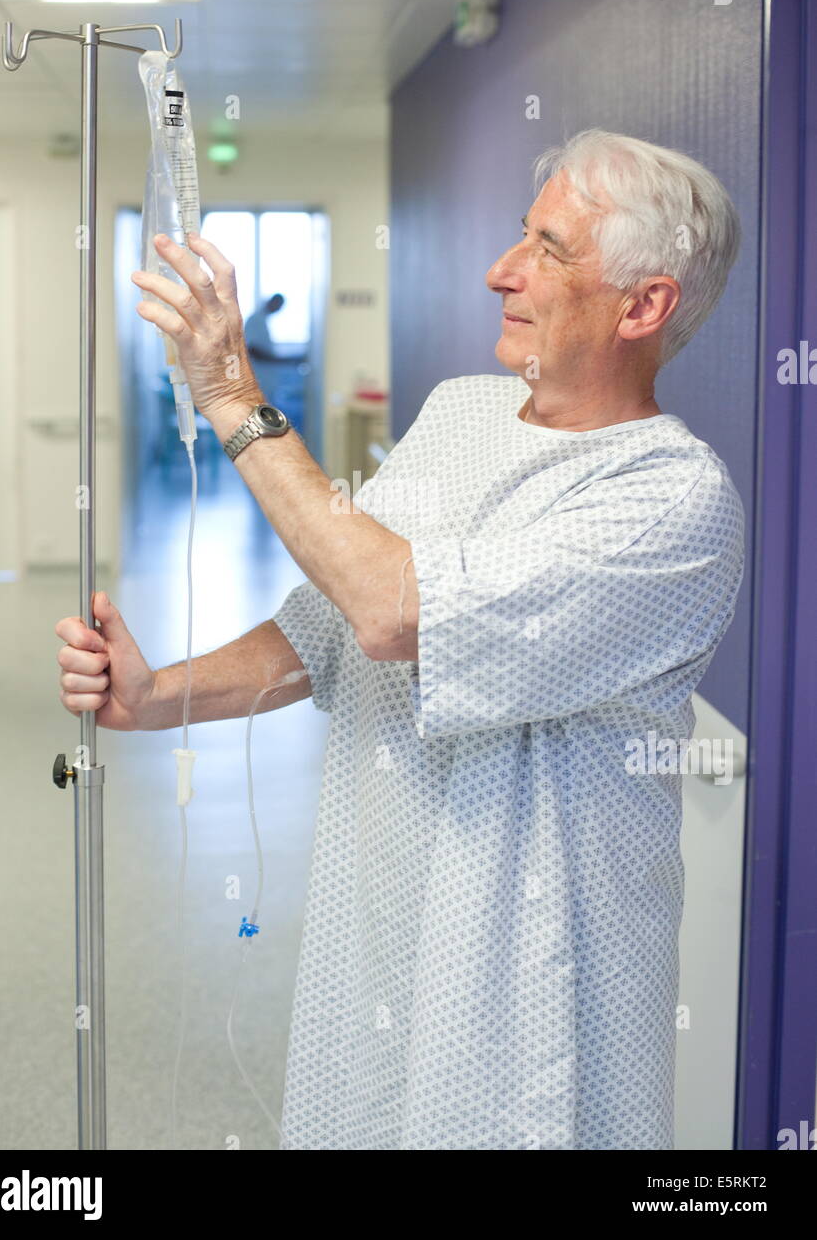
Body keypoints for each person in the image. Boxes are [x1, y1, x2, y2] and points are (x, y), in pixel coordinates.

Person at [55, 130, 745, 1150]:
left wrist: (231, 397)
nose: (497, 270)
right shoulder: (461, 413)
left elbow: (396, 611)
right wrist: (160, 696)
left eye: (546, 249)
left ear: (642, 305)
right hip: (374, 928)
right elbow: (334, 621)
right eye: (519, 234)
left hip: (528, 988)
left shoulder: (670, 500)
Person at [242, 292, 285, 405]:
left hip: (265, 379)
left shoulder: (263, 320)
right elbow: (253, 350)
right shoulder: (255, 319)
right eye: (279, 305)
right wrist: (278, 360)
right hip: (258, 377)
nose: (279, 309)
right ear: (272, 302)